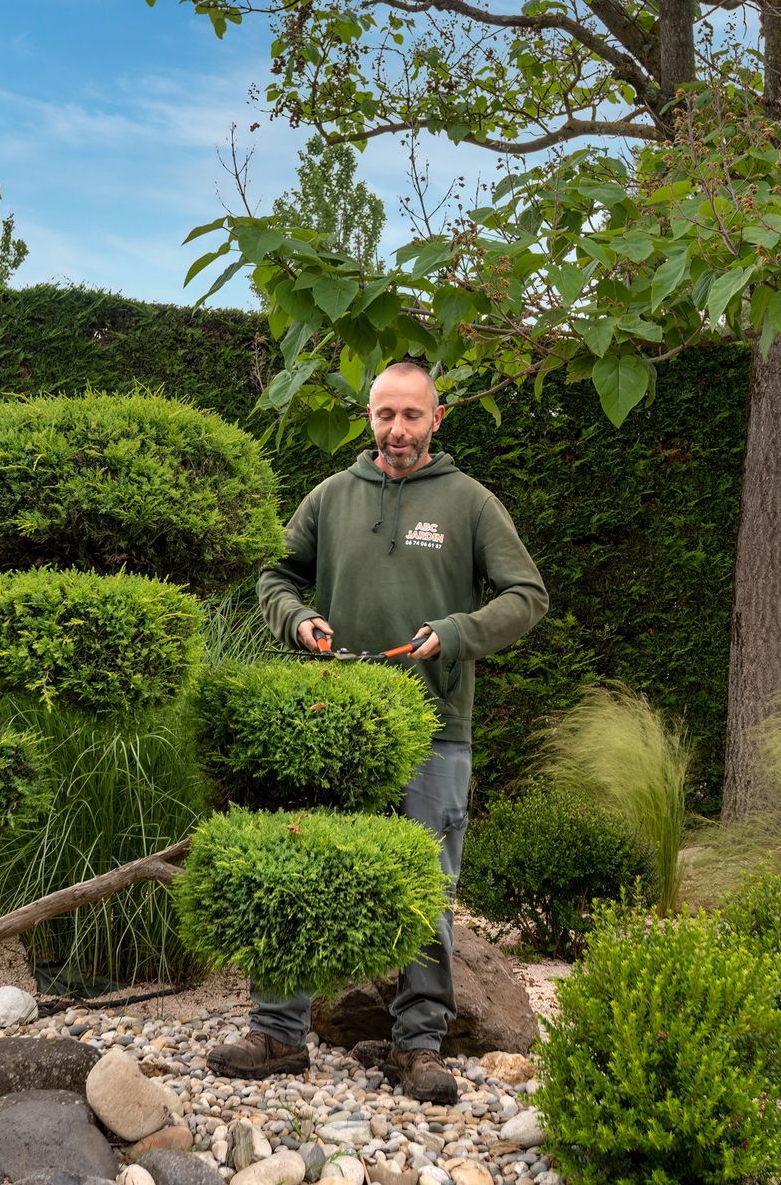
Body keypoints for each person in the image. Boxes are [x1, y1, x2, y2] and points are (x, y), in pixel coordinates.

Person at [206, 360, 549, 1105]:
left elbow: (528, 596)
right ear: (369, 416)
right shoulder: (332, 496)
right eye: (384, 415)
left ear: (438, 418)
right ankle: (277, 1033)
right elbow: (275, 574)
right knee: (299, 870)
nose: (397, 430)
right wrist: (297, 620)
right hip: (333, 724)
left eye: (412, 416)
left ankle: (418, 1045)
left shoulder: (468, 502)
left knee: (426, 887)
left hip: (434, 730)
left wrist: (456, 633)